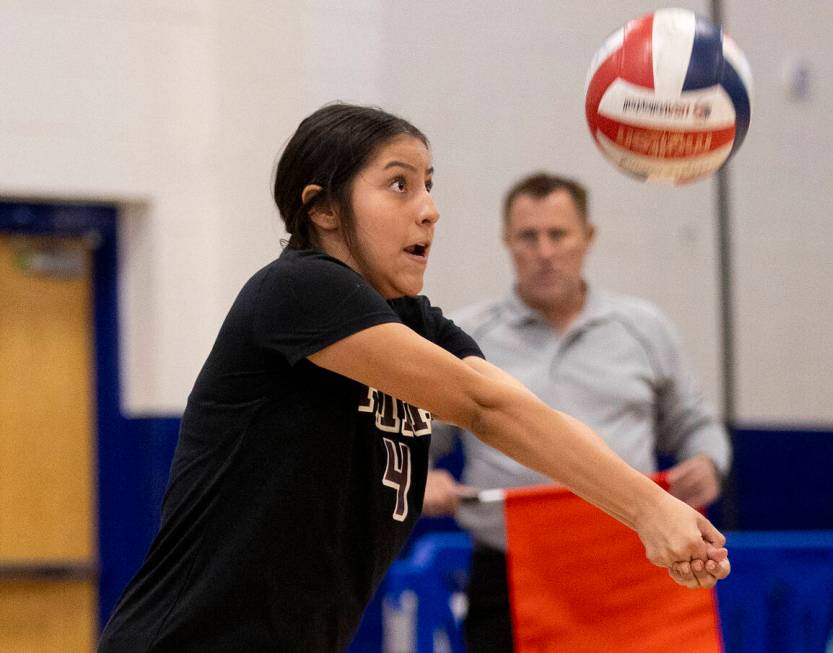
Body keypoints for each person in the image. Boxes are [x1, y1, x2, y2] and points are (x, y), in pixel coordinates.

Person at [98, 106, 729, 653]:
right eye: (399, 185)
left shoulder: (417, 324)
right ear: (322, 209)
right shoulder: (297, 290)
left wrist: (651, 511)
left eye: (429, 185)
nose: (428, 210)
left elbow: (517, 411)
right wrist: (648, 509)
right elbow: (482, 408)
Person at [423, 171, 732, 653]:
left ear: (587, 239)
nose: (544, 251)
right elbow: (417, 438)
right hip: (510, 576)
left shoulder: (644, 328)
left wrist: (709, 463)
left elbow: (693, 422)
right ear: (508, 242)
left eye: (558, 235)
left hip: (635, 570)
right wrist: (423, 480)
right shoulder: (465, 338)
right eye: (529, 236)